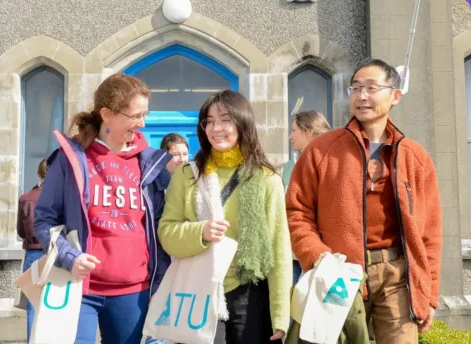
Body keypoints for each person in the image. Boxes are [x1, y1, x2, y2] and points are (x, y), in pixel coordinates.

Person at [286, 59, 442, 344]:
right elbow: (298, 210)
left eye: (371, 88)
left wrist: (428, 292)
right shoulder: (322, 150)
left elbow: (430, 231)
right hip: (337, 274)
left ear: (395, 95)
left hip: (397, 274)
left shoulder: (414, 157)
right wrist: (318, 256)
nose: (361, 96)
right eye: (355, 88)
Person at [34, 73, 172, 344]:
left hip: (134, 290)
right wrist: (70, 256)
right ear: (107, 114)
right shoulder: (70, 158)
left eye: (145, 114)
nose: (142, 123)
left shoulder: (152, 163)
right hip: (78, 288)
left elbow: (161, 226)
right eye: (135, 116)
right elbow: (44, 220)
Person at [158, 90, 292, 344]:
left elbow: (279, 249)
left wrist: (280, 314)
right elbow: (167, 234)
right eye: (210, 121)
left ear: (242, 123)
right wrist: (200, 232)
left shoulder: (266, 179)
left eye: (225, 120)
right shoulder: (187, 175)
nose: (216, 128)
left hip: (250, 294)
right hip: (198, 292)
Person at [282, 110, 331, 285]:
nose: (290, 136)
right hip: (293, 257)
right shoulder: (288, 168)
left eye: (294, 130)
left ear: (309, 130)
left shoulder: (333, 162)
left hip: (326, 258)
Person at [16, 158, 48, 341]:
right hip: (55, 255)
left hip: (33, 254)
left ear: (38, 174)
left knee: (32, 304)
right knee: (56, 303)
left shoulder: (25, 198)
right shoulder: (60, 198)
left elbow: (21, 231)